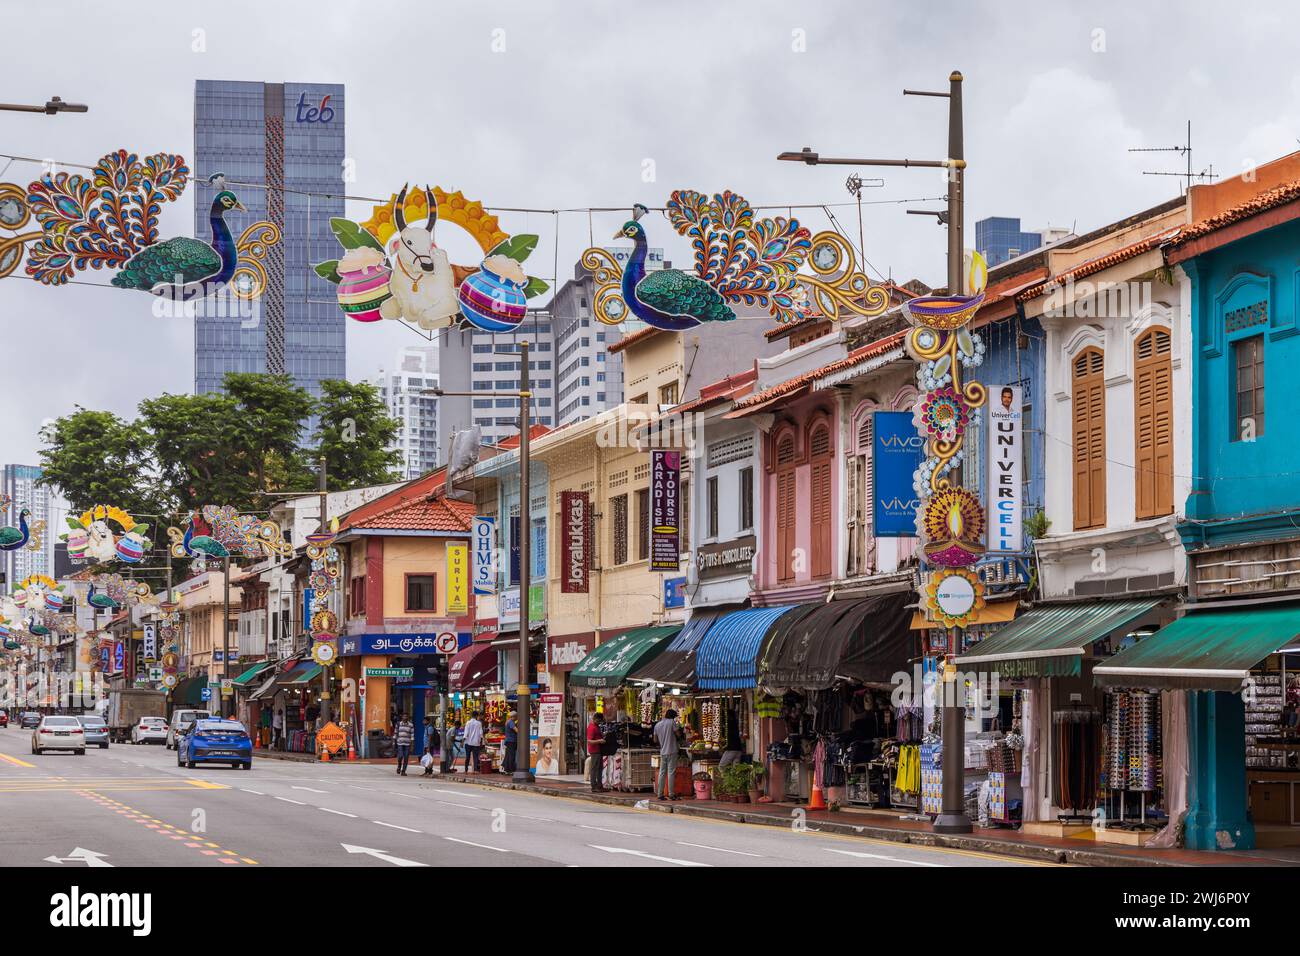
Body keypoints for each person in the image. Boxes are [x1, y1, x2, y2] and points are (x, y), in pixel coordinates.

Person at [653, 709, 683, 800]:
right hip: (672, 750)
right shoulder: (672, 723)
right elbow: (678, 734)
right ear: (672, 716)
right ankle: (671, 794)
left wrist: (662, 741)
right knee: (671, 773)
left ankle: (660, 794)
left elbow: (655, 740)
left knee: (662, 773)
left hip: (663, 752)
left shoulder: (657, 725)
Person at [586, 711, 607, 792]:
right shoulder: (591, 727)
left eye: (600, 721)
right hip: (594, 750)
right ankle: (594, 786)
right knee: (594, 768)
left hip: (599, 750)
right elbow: (589, 741)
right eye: (598, 721)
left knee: (599, 768)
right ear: (594, 719)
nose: (599, 723)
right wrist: (599, 741)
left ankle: (599, 785)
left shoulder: (596, 726)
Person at [502, 709, 518, 775]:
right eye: (516, 716)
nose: (517, 718)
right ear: (514, 716)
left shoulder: (508, 721)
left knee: (508, 755)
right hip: (511, 741)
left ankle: (506, 769)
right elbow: (516, 730)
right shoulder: (511, 722)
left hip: (508, 740)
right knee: (511, 755)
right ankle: (511, 769)